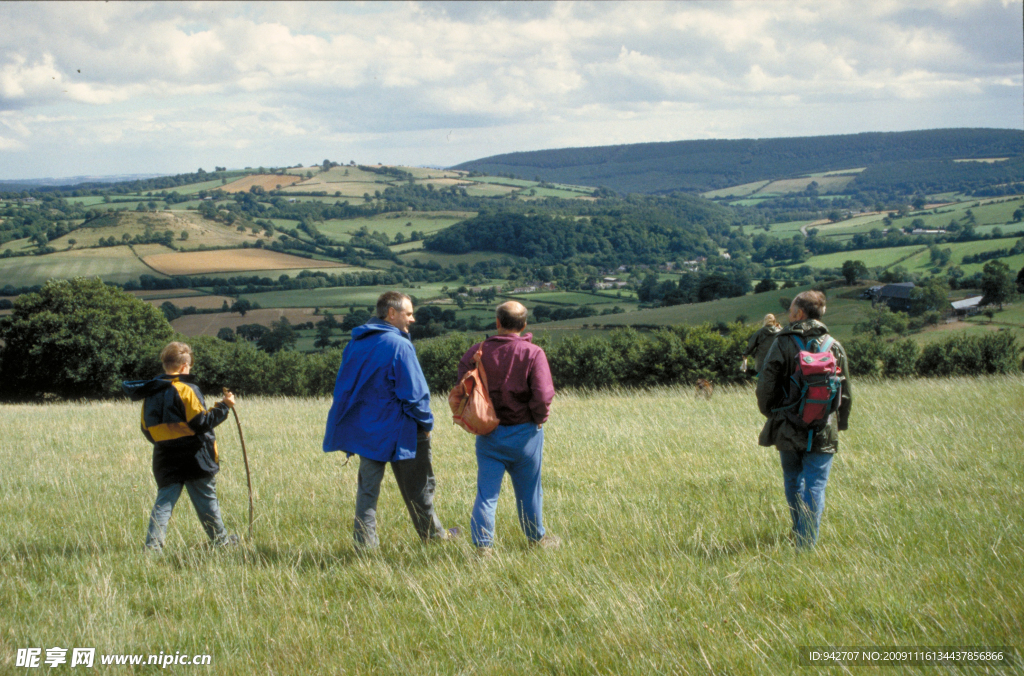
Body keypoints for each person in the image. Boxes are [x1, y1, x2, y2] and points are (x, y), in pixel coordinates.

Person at [323, 291, 457, 550]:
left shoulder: (355, 343)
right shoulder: (400, 345)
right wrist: (426, 424)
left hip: (367, 432)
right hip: (401, 431)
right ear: (391, 313)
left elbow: (344, 388)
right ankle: (433, 538)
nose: (413, 319)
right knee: (418, 489)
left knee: (367, 493)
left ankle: (364, 548)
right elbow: (415, 394)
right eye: (409, 313)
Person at [456, 301, 559, 555]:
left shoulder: (476, 352)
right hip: (525, 433)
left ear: (498, 323)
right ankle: (536, 540)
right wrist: (538, 418)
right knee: (529, 491)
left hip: (488, 432)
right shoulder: (533, 353)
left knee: (486, 494)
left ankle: (483, 549)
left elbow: (462, 384)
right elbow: (544, 395)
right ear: (523, 325)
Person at [756, 291, 852, 547]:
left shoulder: (782, 343)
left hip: (787, 425)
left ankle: (801, 535)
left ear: (799, 313)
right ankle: (806, 543)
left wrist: (773, 414)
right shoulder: (835, 345)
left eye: (790, 308)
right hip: (823, 428)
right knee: (815, 487)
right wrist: (836, 424)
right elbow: (845, 394)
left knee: (793, 480)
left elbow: (765, 385)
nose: (788, 313)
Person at [123, 341, 238, 552]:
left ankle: (153, 548)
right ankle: (221, 542)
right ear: (185, 366)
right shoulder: (187, 389)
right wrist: (224, 406)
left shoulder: (150, 392)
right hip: (196, 456)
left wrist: (169, 442)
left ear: (166, 364)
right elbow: (201, 423)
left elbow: (146, 429)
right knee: (207, 502)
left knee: (164, 504)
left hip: (165, 456)